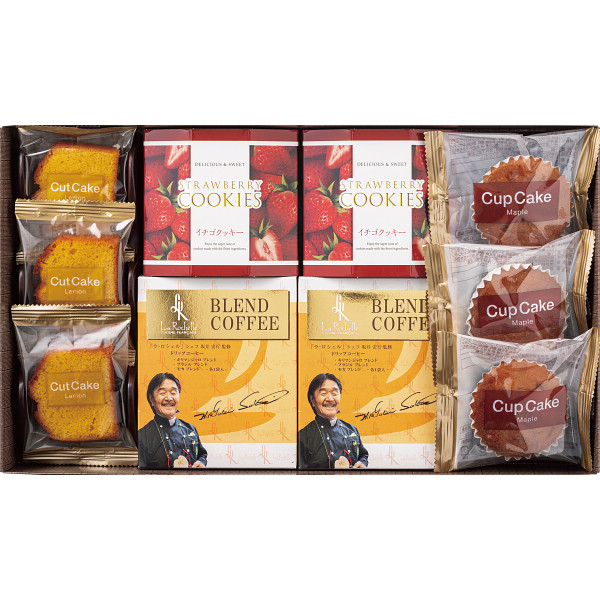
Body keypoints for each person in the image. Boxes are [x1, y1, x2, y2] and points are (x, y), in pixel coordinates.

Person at [298, 373, 368, 469]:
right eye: (323, 393)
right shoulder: (303, 436)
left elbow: (363, 455)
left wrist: (362, 462)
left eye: (334, 393)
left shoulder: (351, 429)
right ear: (312, 400)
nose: (330, 399)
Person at [138, 373, 208, 469]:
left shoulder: (190, 429)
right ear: (151, 399)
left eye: (173, 392)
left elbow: (202, 454)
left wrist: (201, 462)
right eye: (162, 393)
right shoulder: (142, 436)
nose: (169, 398)